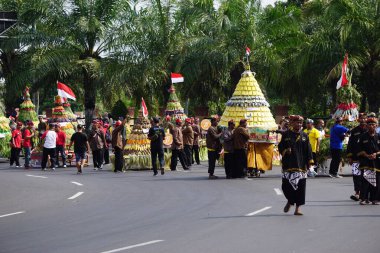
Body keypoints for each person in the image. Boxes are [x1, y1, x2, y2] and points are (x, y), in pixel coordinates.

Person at [279, 115, 313, 215]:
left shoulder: (304, 136)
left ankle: (298, 208)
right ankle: (290, 201)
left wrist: (309, 162)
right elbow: (280, 146)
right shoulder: (286, 134)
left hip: (301, 165)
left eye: (300, 123)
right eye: (297, 122)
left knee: (301, 187)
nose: (299, 124)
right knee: (286, 186)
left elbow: (308, 150)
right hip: (288, 164)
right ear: (292, 123)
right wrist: (285, 150)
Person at [357, 118, 380, 205]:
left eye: (373, 124)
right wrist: (366, 155)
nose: (371, 126)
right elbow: (359, 149)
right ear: (366, 126)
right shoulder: (362, 137)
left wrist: (376, 154)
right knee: (365, 180)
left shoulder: (378, 136)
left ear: (376, 126)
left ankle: (375, 199)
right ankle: (364, 198)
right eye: (369, 124)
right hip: (366, 161)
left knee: (377, 181)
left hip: (377, 161)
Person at [347, 115, 367, 201]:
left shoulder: (369, 130)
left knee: (366, 176)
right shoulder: (354, 131)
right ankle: (357, 193)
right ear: (358, 120)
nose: (363, 120)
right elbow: (350, 144)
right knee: (356, 176)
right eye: (361, 118)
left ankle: (366, 194)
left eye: (364, 118)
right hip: (355, 158)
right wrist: (350, 157)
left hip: (366, 158)